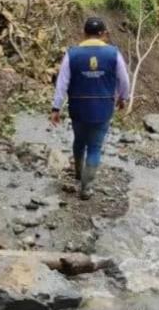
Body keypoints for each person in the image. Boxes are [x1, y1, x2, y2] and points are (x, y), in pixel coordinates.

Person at [50, 17, 130, 200]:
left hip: (78, 107)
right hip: (103, 107)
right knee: (94, 147)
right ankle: (86, 188)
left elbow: (62, 83)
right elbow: (124, 79)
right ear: (103, 34)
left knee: (79, 140)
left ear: (84, 33)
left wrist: (56, 108)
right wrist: (123, 98)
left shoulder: (72, 54)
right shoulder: (113, 53)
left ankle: (78, 173)